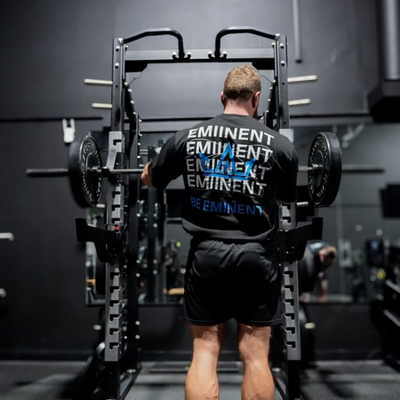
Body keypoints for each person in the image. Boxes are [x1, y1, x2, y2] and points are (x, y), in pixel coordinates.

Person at [141, 65, 298, 400]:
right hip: (257, 256)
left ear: (222, 96)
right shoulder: (280, 146)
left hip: (207, 256)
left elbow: (150, 178)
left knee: (204, 352)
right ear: (256, 98)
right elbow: (285, 198)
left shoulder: (187, 138)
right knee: (256, 356)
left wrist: (151, 169)